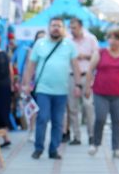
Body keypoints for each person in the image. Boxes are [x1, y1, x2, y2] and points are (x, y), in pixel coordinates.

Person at [20, 17, 82, 160]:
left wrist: (78, 85)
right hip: (43, 89)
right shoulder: (40, 44)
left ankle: (53, 149)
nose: (56, 28)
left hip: (61, 90)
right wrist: (26, 84)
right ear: (49, 28)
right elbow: (31, 65)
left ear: (63, 29)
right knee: (42, 118)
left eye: (59, 26)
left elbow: (75, 66)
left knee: (58, 122)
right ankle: (38, 148)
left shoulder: (69, 45)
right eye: (53, 25)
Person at [85, 29, 119, 158]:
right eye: (111, 38)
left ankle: (116, 148)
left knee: (117, 120)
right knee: (100, 118)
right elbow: (90, 70)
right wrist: (87, 87)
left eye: (116, 39)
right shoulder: (100, 53)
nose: (113, 41)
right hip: (100, 92)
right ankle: (95, 143)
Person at [67, 17, 99, 145]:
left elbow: (97, 56)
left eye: (74, 28)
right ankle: (76, 136)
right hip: (71, 76)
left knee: (88, 105)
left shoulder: (91, 39)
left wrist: (84, 56)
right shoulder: (68, 40)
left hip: (87, 75)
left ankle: (92, 135)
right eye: (71, 28)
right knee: (72, 107)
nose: (72, 30)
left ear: (80, 27)